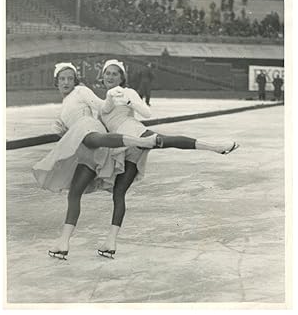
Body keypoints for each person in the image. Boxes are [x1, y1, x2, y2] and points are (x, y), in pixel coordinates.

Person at [97, 59, 239, 258]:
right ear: (102, 76)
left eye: (115, 74)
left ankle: (215, 146)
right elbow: (103, 115)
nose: (110, 77)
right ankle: (110, 242)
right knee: (118, 193)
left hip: (136, 135)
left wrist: (128, 101)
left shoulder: (127, 91)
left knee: (167, 141)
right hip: (122, 147)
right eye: (107, 73)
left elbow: (146, 112)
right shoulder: (105, 98)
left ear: (122, 77)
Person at [32, 63, 158, 260]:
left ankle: (141, 140)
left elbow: (102, 107)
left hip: (91, 130)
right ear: (56, 81)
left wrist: (123, 100)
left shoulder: (81, 91)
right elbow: (68, 133)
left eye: (70, 78)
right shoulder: (62, 108)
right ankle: (63, 243)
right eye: (62, 79)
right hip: (86, 148)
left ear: (75, 81)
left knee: (96, 145)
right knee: (74, 193)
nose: (66, 82)